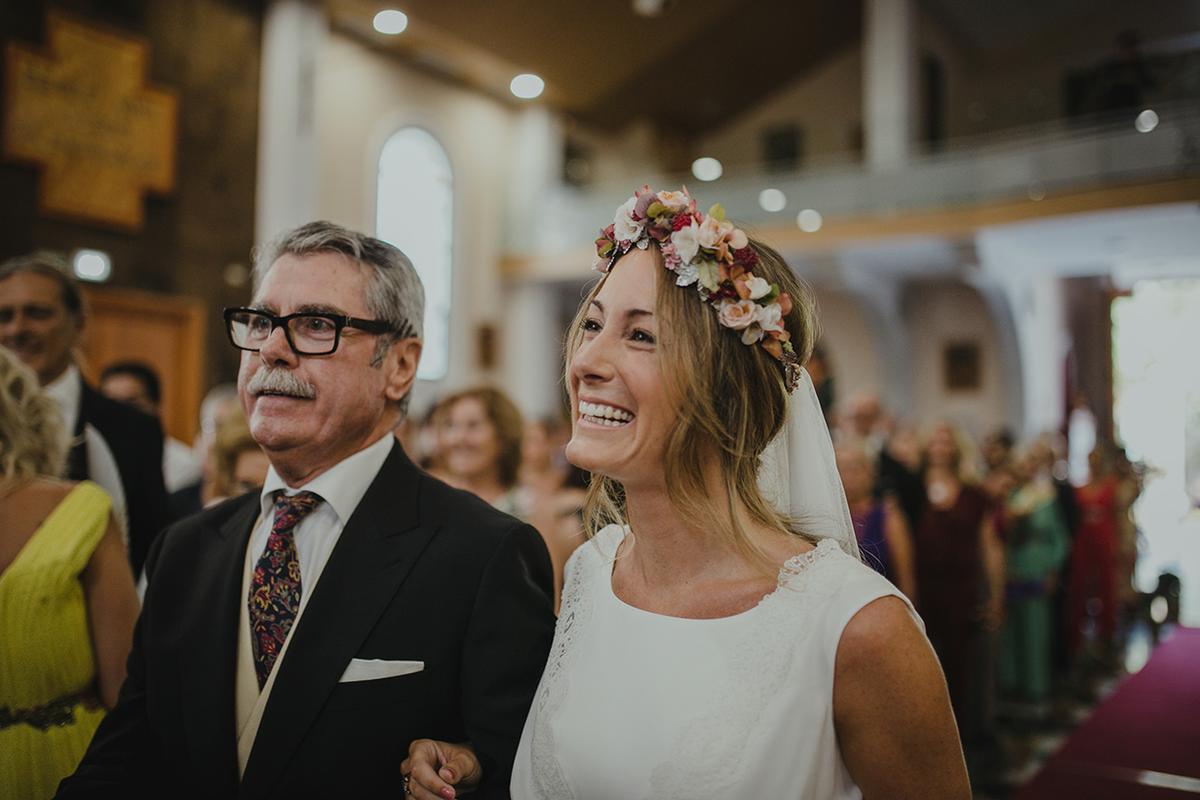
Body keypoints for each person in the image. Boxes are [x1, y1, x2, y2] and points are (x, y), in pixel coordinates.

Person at [404, 186, 968, 798]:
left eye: (641, 336)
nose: (586, 360)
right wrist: (476, 761)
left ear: (729, 390)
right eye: (591, 324)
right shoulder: (593, 570)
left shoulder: (857, 628)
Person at [58, 221, 555, 798]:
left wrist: (466, 772)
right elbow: (128, 756)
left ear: (398, 366)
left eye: (317, 324)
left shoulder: (482, 553)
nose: (270, 349)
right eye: (262, 322)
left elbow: (515, 770)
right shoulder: (187, 548)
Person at [0, 346, 140, 799]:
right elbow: (126, 689)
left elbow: (127, 687)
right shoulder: (77, 509)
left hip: (68, 768)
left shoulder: (79, 512)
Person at [0, 254, 172, 577]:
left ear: (78, 323)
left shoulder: (134, 429)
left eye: (37, 313)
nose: (17, 329)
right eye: (4, 316)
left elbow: (150, 547)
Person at [912, 421, 1004, 775]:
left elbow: (990, 546)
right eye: (934, 438)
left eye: (946, 439)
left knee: (969, 671)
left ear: (957, 448)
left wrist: (995, 595)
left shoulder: (973, 493)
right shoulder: (912, 489)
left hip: (964, 591)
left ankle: (969, 749)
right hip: (925, 590)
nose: (940, 445)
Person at [998, 442, 1070, 708]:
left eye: (1030, 464)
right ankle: (1011, 686)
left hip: (1037, 568)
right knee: (1010, 635)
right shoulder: (1006, 497)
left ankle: (1036, 689)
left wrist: (1052, 569)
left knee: (1035, 633)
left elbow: (1059, 538)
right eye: (1021, 465)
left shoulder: (1045, 497)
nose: (1026, 469)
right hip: (1011, 570)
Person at [100, 360, 204, 493]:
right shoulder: (93, 458)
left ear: (154, 407)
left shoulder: (185, 467)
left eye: (130, 404)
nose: (119, 414)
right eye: (110, 404)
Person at [836, 440, 917, 599]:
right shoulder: (828, 517)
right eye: (841, 469)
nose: (848, 476)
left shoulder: (889, 516)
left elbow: (906, 577)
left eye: (855, 468)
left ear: (871, 473)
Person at [436, 386, 528, 517]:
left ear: (503, 435)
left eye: (473, 425)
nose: (458, 438)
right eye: (450, 425)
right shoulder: (434, 499)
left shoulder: (526, 507)